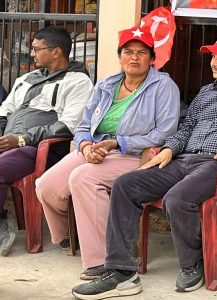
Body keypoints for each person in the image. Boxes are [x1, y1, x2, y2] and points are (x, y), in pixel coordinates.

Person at [72, 33, 217, 300]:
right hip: (184, 159)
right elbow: (186, 127)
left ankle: (192, 263)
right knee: (125, 185)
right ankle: (121, 271)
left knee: (177, 198)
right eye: (213, 57)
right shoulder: (206, 92)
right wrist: (170, 149)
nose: (214, 63)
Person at [35, 26, 179, 279]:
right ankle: (71, 235)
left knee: (83, 178)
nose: (134, 57)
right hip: (96, 148)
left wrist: (118, 143)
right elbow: (83, 126)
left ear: (152, 58)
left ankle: (105, 258)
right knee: (46, 185)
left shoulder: (163, 86)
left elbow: (164, 133)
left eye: (142, 52)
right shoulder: (106, 84)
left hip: (135, 154)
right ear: (120, 56)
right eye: (128, 52)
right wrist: (85, 146)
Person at [0, 26, 93, 255]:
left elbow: (68, 125)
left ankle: (1, 223)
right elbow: (5, 110)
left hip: (39, 150)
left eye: (36, 49)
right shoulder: (25, 79)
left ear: (56, 51)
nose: (32, 54)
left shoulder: (78, 82)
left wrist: (21, 139)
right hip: (10, 143)